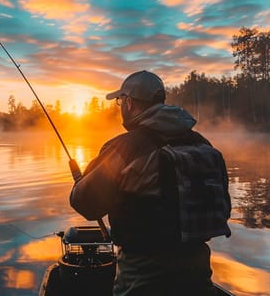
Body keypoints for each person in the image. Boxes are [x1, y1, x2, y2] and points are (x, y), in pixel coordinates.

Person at [69, 70, 231, 296]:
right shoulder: (202, 143)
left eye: (120, 101)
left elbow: (85, 203)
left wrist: (79, 182)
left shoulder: (126, 148)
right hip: (197, 269)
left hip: (142, 275)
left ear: (129, 103)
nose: (120, 107)